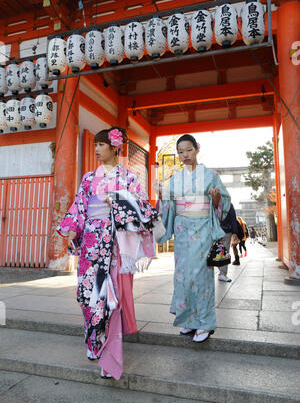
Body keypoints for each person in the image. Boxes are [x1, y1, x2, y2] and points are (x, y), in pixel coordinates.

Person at [57, 126, 158, 380]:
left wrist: (116, 199)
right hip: (91, 243)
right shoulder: (89, 178)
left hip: (115, 245)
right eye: (95, 146)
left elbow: (143, 208)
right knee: (88, 293)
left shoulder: (130, 178)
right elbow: (79, 206)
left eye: (101, 145)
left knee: (111, 297)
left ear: (115, 146)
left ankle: (108, 353)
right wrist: (71, 231)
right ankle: (94, 339)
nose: (97, 150)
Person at [154, 134, 231, 343]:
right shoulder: (175, 178)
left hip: (203, 227)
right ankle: (188, 319)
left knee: (200, 275)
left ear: (197, 149)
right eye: (180, 152)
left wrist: (216, 199)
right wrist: (163, 198)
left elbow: (224, 200)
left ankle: (205, 322)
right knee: (183, 275)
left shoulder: (210, 175)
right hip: (182, 230)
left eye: (188, 150)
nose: (184, 155)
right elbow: (168, 206)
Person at [218, 203, 239, 282]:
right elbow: (233, 218)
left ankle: (222, 273)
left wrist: (234, 232)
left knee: (224, 253)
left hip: (225, 232)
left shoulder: (229, 204)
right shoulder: (228, 204)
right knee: (221, 253)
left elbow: (233, 218)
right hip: (218, 231)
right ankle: (222, 273)